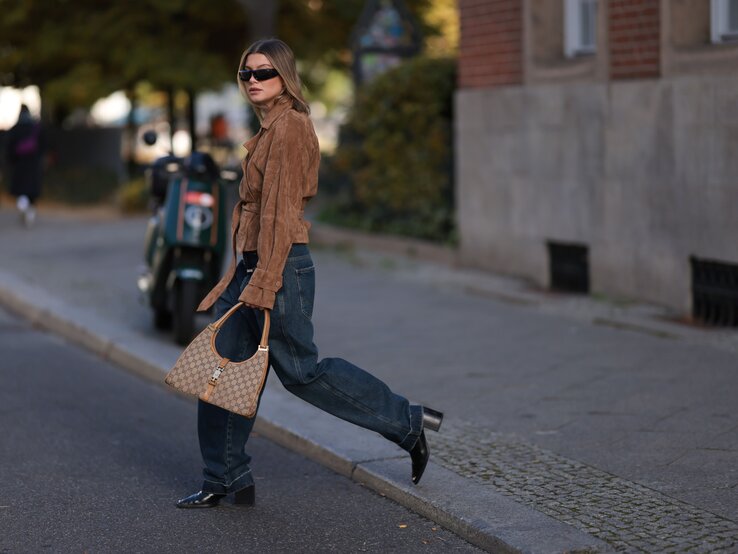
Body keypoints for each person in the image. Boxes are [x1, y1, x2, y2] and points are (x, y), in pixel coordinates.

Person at [176, 38, 444, 509]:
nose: (253, 81)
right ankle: (224, 477)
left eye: (264, 73)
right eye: (246, 74)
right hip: (255, 265)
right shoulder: (268, 128)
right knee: (218, 372)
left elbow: (281, 214)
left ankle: (407, 421)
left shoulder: (291, 129)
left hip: (278, 268)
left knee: (301, 372)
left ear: (285, 78)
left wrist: (263, 280)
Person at [5, 104, 44, 227]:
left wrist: (11, 161)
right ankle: (30, 211)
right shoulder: (35, 128)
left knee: (21, 190)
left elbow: (10, 149)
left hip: (19, 165)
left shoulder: (15, 129)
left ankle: (22, 204)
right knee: (31, 190)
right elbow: (42, 146)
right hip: (33, 164)